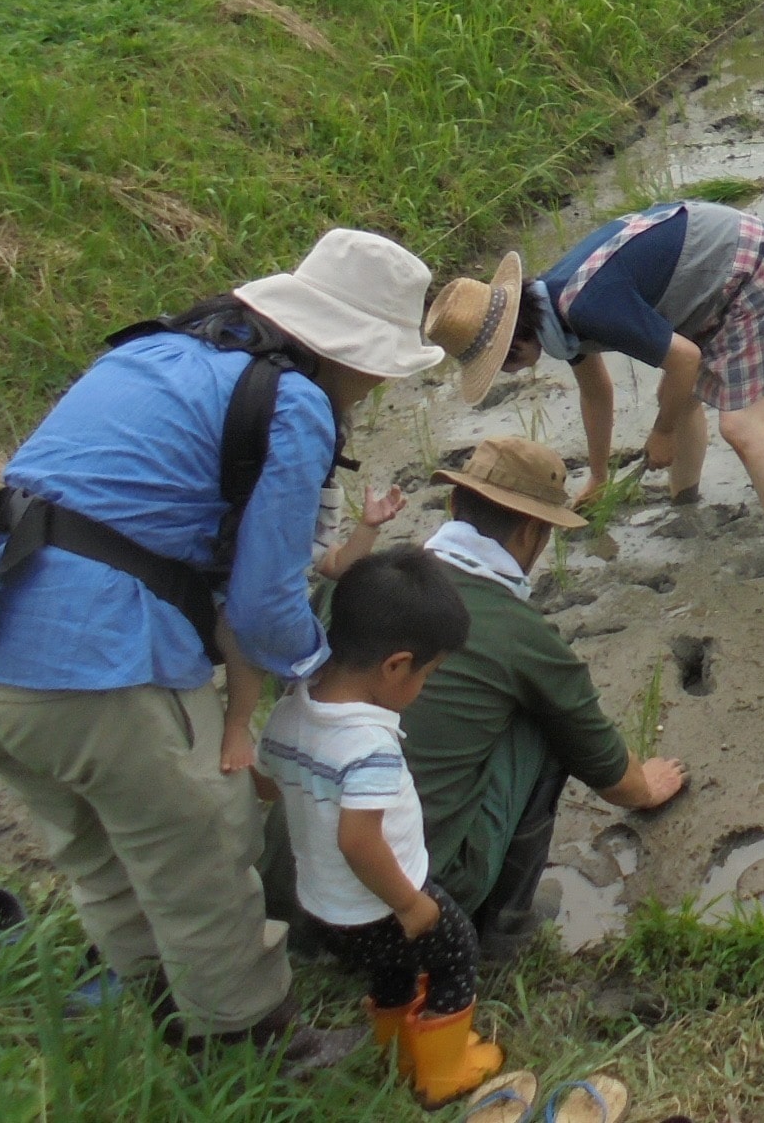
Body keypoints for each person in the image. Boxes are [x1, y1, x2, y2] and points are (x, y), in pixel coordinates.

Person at [0, 229, 442, 1068]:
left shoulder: (159, 351)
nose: (379, 385)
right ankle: (256, 1049)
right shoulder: (298, 403)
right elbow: (266, 600)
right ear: (355, 353)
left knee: (101, 853)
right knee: (204, 847)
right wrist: (326, 680)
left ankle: (170, 1017)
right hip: (95, 660)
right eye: (382, 366)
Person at [254, 549, 524, 1110]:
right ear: (397, 666)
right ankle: (443, 1072)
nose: (425, 684)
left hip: (323, 905)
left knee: (393, 972)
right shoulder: (368, 744)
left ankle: (397, 1048)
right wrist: (408, 903)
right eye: (429, 673)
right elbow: (359, 842)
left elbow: (266, 783)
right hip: (381, 901)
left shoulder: (290, 712)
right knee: (454, 954)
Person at [398, 438, 685, 957]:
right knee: (546, 721)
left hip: (308, 875)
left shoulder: (362, 583)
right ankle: (500, 931)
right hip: (417, 898)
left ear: (453, 505)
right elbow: (614, 779)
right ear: (533, 530)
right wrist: (647, 785)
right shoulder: (521, 634)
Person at [427, 200, 764, 554]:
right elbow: (595, 392)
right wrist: (598, 476)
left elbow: (685, 359)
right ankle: (685, 503)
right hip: (711, 276)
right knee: (676, 396)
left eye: (500, 364)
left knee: (740, 427)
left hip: (753, 265)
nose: (507, 373)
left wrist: (663, 432)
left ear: (513, 341)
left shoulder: (586, 307)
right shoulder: (551, 308)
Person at [220, 475, 408, 773]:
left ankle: (295, 739)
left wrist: (368, 527)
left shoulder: (297, 523)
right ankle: (237, 725)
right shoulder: (260, 518)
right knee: (239, 638)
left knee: (318, 675)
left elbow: (337, 565)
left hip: (292, 619)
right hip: (241, 606)